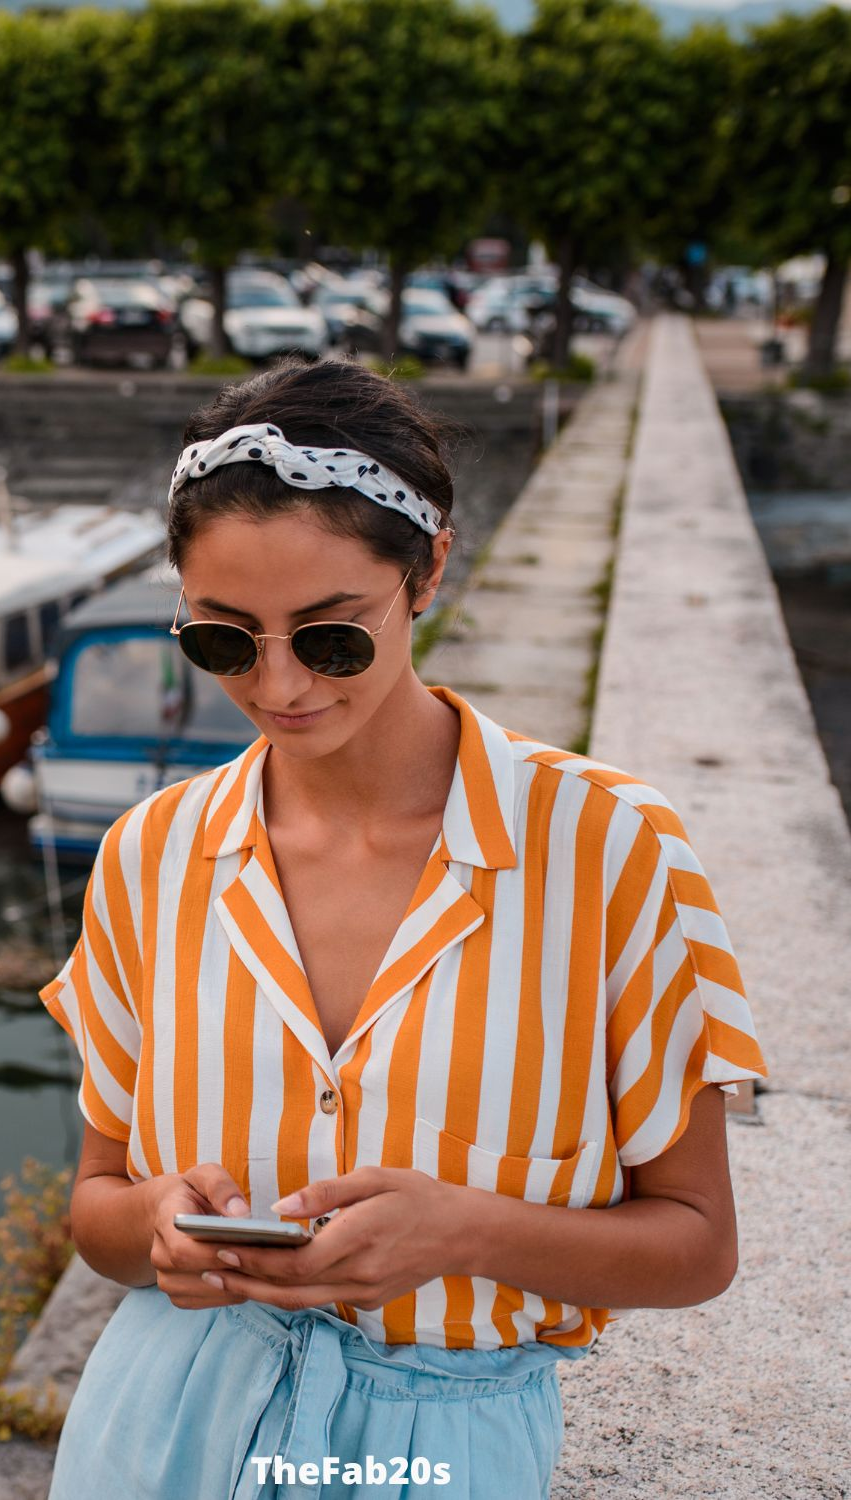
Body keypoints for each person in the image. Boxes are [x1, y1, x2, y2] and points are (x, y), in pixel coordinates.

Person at [38, 354, 768, 1499]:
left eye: (330, 636)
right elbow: (96, 1209)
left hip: (439, 1457)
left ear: (427, 571)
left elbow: (694, 1243)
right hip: (158, 1425)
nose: (280, 688)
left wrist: (465, 1233)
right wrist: (161, 1231)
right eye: (223, 640)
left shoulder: (606, 848)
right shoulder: (151, 855)